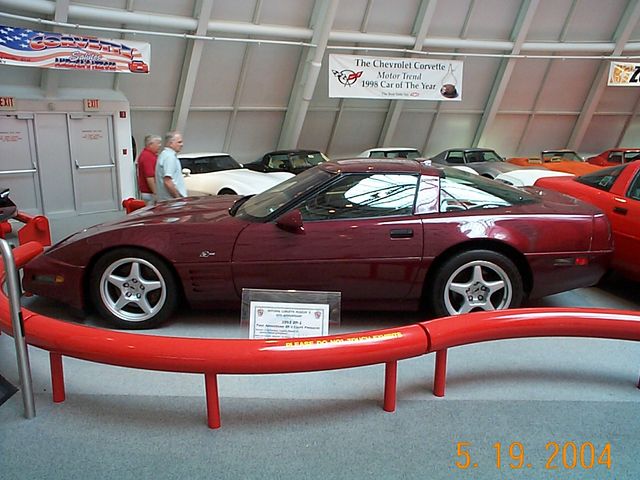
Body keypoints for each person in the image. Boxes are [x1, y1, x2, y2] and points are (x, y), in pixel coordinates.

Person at [155, 131, 187, 201]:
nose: (182, 144)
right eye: (179, 142)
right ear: (170, 143)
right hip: (172, 202)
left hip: (166, 201)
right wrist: (178, 198)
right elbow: (167, 181)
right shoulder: (170, 157)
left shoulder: (164, 155)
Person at [136, 134, 162, 205]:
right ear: (150, 144)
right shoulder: (147, 157)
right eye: (158, 143)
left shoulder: (149, 155)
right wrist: (156, 193)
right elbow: (150, 177)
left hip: (149, 193)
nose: (160, 145)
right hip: (150, 193)